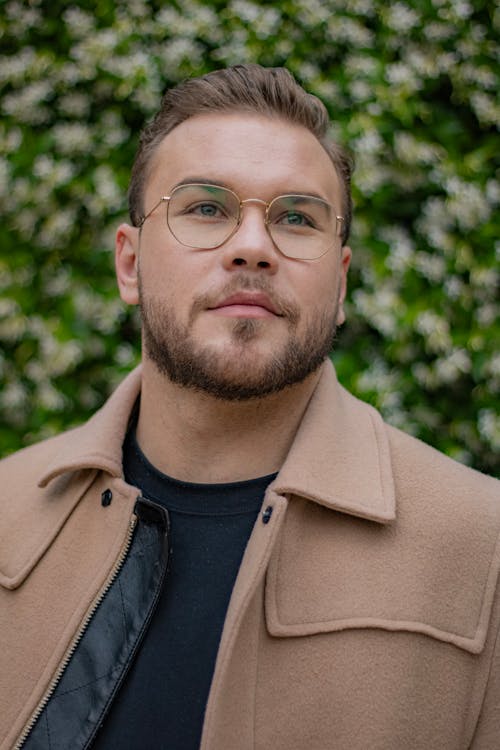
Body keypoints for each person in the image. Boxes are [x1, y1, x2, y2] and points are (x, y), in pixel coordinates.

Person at [1, 64, 499, 750]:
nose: (253, 248)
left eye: (297, 218)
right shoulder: (5, 514)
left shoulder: (484, 547)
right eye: (206, 207)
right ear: (129, 263)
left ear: (343, 280)